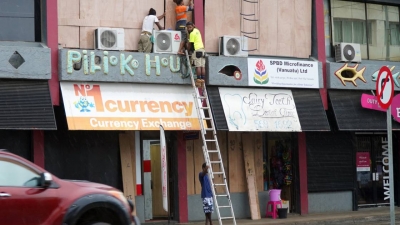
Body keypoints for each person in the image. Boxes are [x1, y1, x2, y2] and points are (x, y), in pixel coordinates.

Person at [186, 21, 205, 87]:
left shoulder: (192, 34)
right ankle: (202, 79)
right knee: (202, 66)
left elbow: (190, 44)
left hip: (197, 50)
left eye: (190, 27)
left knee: (198, 66)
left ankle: (198, 79)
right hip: (202, 50)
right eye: (188, 28)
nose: (189, 29)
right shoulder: (197, 30)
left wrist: (187, 50)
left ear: (193, 26)